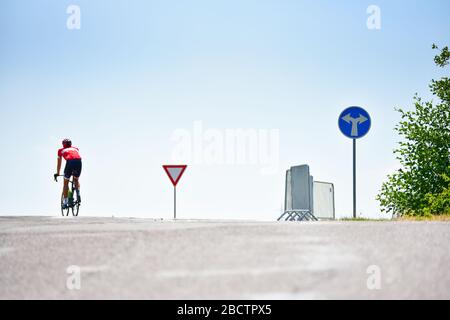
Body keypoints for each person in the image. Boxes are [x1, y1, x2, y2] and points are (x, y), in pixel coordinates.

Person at [54, 139, 82, 208]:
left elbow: (59, 163)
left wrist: (57, 173)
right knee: (76, 179)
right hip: (79, 162)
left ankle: (65, 202)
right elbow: (75, 156)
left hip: (70, 162)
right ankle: (78, 193)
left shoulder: (60, 150)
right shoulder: (76, 148)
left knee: (65, 183)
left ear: (63, 144)